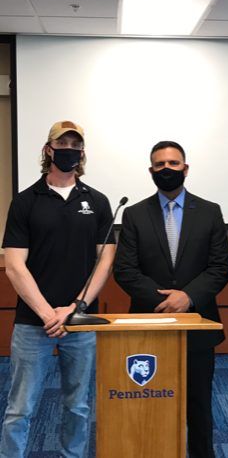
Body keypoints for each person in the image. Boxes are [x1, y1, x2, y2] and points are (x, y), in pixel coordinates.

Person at [0, 120, 116, 458]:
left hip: (79, 323)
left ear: (82, 152)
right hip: (32, 323)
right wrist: (47, 313)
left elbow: (104, 261)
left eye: (75, 144)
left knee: (77, 406)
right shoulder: (25, 201)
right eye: (61, 143)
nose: (69, 149)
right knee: (19, 408)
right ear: (49, 149)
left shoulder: (97, 201)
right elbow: (14, 264)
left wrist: (74, 308)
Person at [114, 140, 228, 458]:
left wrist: (188, 298)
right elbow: (124, 271)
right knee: (148, 402)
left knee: (199, 406)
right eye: (160, 165)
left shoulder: (210, 211)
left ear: (186, 168)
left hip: (198, 326)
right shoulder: (135, 214)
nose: (167, 169)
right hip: (148, 326)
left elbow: (221, 268)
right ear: (151, 171)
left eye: (173, 163)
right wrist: (167, 301)